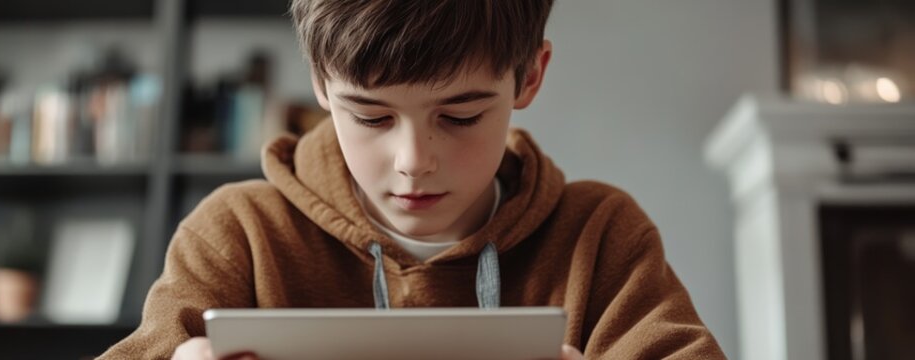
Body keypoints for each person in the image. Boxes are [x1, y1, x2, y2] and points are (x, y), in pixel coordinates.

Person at [99, 0, 725, 359]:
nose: (412, 160)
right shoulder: (238, 231)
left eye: (460, 116)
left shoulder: (601, 237)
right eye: (370, 115)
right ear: (319, 83)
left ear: (529, 77)